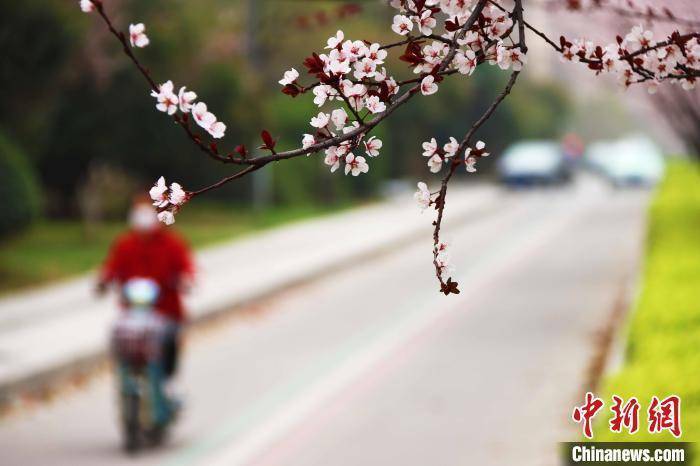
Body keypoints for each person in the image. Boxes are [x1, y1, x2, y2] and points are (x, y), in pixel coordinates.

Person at [98, 196, 194, 379]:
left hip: (166, 311)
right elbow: (111, 268)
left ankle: (168, 380)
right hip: (132, 313)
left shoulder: (171, 244)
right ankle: (124, 376)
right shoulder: (125, 244)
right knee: (117, 334)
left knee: (170, 341)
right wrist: (103, 281)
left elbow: (186, 268)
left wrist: (185, 280)